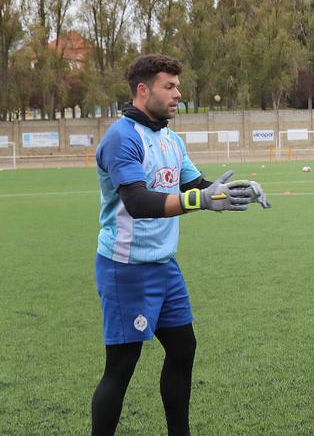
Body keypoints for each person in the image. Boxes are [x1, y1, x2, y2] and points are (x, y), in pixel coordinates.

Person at [90, 55, 270, 436]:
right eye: (169, 86)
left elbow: (195, 186)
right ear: (144, 90)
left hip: (164, 265)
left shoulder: (170, 138)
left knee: (183, 349)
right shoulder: (121, 138)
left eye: (177, 86)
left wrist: (235, 191)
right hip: (126, 268)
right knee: (121, 367)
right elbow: (138, 203)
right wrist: (199, 201)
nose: (179, 94)